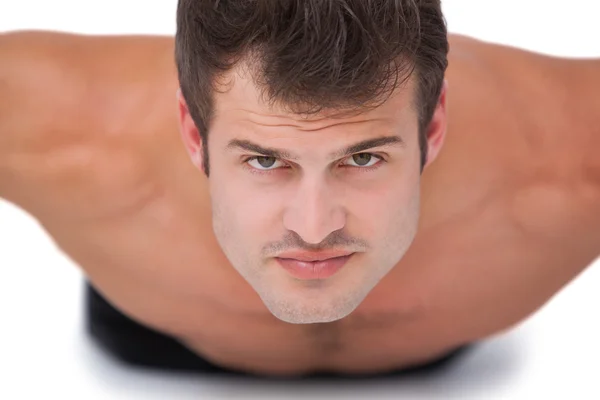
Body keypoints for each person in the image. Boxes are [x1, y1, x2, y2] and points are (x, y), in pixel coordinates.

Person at [0, 0, 599, 380]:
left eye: (362, 157)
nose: (314, 228)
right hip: (157, 340)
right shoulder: (70, 141)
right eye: (265, 160)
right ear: (193, 129)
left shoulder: (569, 166)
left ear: (432, 126)